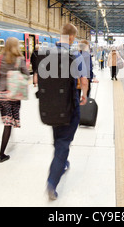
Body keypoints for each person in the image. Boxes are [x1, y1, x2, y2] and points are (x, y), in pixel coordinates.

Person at [46, 23, 88, 200]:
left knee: (58, 137)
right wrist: (84, 95)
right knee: (64, 142)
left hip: (50, 106)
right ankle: (51, 182)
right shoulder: (76, 55)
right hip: (69, 106)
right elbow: (83, 81)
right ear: (71, 37)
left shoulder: (47, 52)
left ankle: (62, 163)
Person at [0, 37, 30, 163]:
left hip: (1, 94)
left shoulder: (0, 58)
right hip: (13, 95)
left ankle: (9, 139)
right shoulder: (19, 59)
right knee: (8, 124)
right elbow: (27, 74)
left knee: (7, 121)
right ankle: (1, 154)